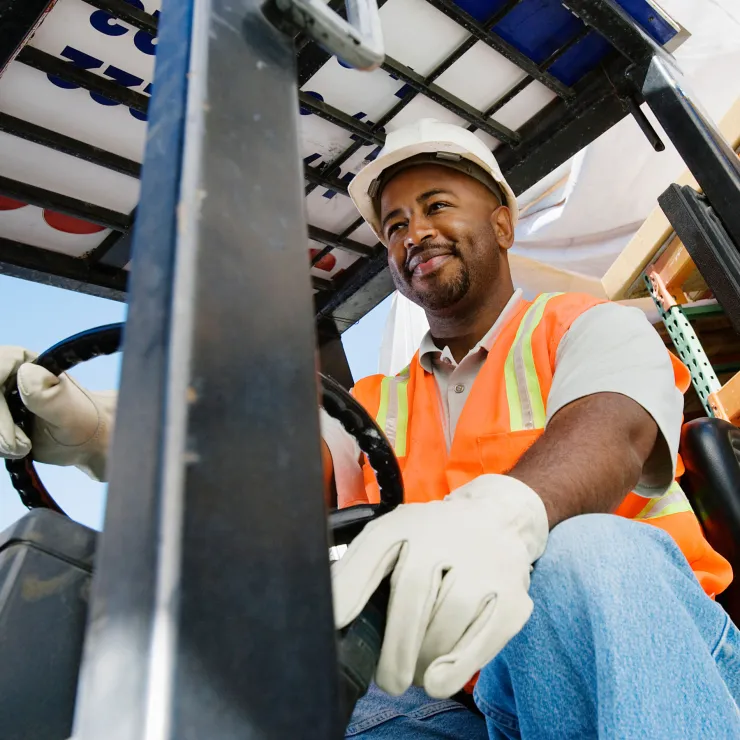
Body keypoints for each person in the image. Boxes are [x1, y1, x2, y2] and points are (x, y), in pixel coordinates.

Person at [0, 119, 738, 738]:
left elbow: (612, 431)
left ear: (504, 222)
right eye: (394, 225)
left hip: (642, 656)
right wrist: (102, 434)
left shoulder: (588, 325)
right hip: (460, 696)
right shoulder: (369, 401)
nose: (414, 232)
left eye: (438, 205)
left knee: (584, 556)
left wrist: (503, 519)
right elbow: (257, 468)